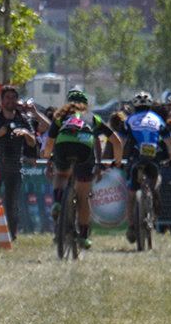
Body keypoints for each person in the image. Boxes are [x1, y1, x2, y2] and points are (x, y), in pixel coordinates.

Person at [41, 88, 122, 250]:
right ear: (85, 105)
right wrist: (117, 161)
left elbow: (49, 142)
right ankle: (83, 236)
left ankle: (58, 201)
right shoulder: (93, 118)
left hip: (63, 147)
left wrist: (48, 156)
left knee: (61, 175)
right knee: (83, 197)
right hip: (84, 150)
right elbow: (116, 141)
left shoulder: (60, 117)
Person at [0, 85, 42, 239]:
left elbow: (33, 142)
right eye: (7, 97)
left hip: (14, 167)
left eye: (13, 98)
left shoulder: (22, 119)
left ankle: (11, 235)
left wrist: (25, 133)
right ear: (1, 100)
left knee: (12, 204)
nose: (10, 101)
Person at [122, 91, 166, 244]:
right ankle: (154, 193)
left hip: (136, 157)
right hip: (154, 156)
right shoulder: (158, 119)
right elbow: (170, 143)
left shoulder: (129, 120)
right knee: (156, 177)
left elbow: (122, 141)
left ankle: (131, 226)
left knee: (131, 194)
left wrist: (119, 159)